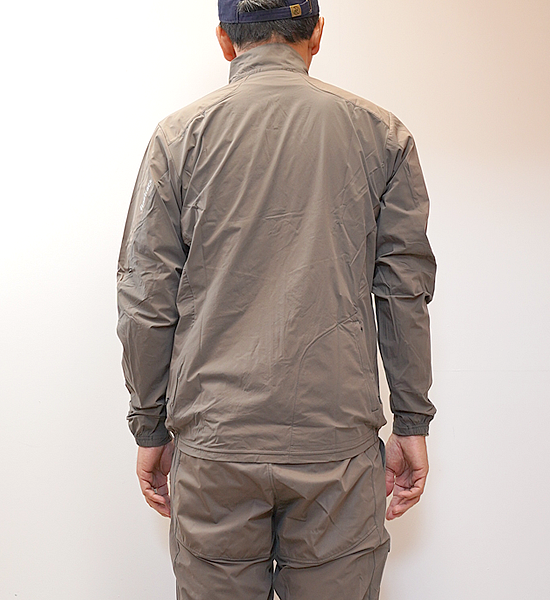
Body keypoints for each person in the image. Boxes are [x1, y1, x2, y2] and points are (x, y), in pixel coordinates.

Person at [117, 1, 436, 598]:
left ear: (224, 40)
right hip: (335, 447)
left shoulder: (178, 138)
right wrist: (412, 420)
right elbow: (404, 292)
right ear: (316, 34)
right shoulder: (383, 135)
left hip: (216, 443)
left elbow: (145, 296)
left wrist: (150, 426)